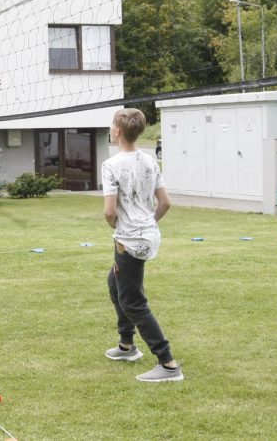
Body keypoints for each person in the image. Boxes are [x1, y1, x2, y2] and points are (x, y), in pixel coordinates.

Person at [102, 108, 183, 383]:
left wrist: (120, 226)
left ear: (118, 131)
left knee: (132, 300)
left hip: (130, 239)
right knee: (116, 283)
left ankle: (168, 363)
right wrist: (149, 222)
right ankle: (126, 346)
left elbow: (110, 211)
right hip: (148, 233)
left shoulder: (111, 165)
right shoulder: (150, 160)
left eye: (112, 126)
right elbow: (166, 203)